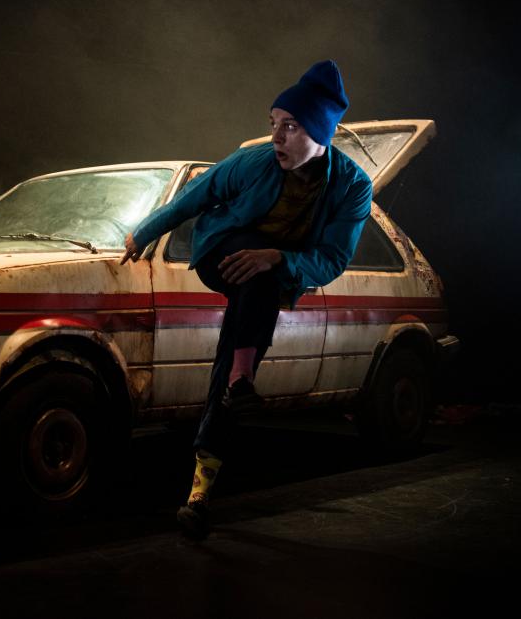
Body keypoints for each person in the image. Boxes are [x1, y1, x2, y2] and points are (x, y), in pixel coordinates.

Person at [119, 60, 373, 540]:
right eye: (273, 124)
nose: (276, 137)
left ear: (319, 132)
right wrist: (146, 231)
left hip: (266, 275)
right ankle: (243, 376)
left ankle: (201, 489)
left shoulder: (353, 186)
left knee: (252, 306)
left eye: (290, 126)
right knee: (255, 268)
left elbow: (333, 259)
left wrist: (278, 257)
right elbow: (195, 197)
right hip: (224, 251)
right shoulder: (254, 162)